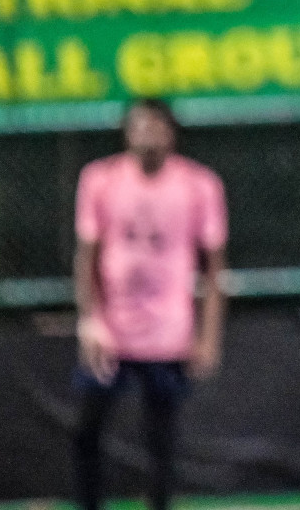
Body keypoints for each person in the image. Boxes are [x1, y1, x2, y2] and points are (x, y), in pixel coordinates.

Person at [72, 97, 228, 510]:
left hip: (169, 336)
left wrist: (208, 336)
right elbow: (85, 256)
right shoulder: (99, 179)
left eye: (156, 125)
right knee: (86, 431)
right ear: (126, 132)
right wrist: (90, 322)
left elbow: (215, 271)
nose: (147, 134)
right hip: (112, 333)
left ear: (171, 132)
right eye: (139, 125)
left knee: (162, 442)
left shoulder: (200, 185)